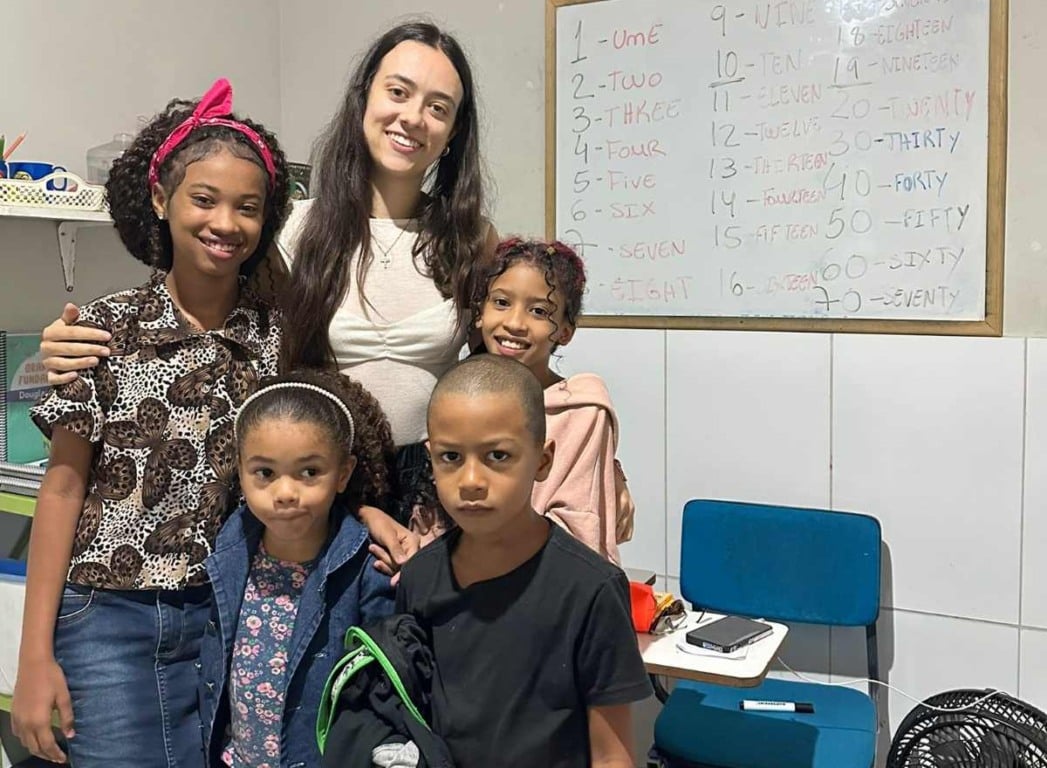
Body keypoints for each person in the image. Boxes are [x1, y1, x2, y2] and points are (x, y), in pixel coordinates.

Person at [37, 22, 498, 570]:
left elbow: (505, 368)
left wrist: (590, 441)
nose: (413, 117)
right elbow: (213, 327)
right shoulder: (294, 231)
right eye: (398, 92)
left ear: (453, 132)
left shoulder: (473, 239)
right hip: (322, 490)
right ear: (365, 98)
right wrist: (73, 340)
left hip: (439, 496)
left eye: (438, 107)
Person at [11, 78, 291, 767]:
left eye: (247, 208)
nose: (225, 222)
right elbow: (62, 489)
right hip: (105, 618)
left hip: (228, 614)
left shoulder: (277, 339)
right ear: (162, 200)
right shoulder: (102, 330)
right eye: (204, 198)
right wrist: (32, 658)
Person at [397, 354, 651, 768]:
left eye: (498, 456)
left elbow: (612, 756)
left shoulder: (591, 589)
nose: (472, 481)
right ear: (431, 459)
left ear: (543, 460)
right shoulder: (420, 576)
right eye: (450, 457)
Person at [199, 369, 395, 768]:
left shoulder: (366, 568)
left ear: (342, 473)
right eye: (265, 473)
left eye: (309, 472)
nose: (286, 493)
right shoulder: (231, 548)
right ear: (240, 470)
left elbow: (381, 689)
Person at [471, 237, 634, 563]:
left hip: (550, 589)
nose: (515, 323)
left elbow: (578, 528)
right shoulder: (461, 401)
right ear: (479, 313)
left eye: (539, 311)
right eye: (501, 303)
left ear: (565, 331)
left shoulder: (581, 410)